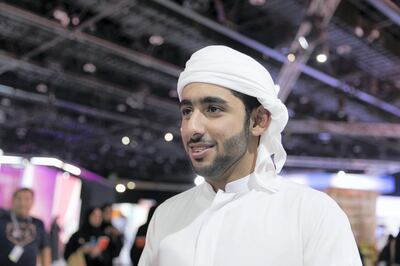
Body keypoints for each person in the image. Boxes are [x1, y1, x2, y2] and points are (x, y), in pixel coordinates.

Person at [138, 45, 362, 266]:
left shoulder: (312, 214)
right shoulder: (167, 215)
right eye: (187, 112)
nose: (192, 127)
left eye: (213, 109)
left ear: (258, 121)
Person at [0, 187, 51, 266]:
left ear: (32, 202)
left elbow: (45, 248)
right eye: (19, 199)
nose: (22, 203)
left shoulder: (38, 223)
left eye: (27, 199)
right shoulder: (2, 220)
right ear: (13, 200)